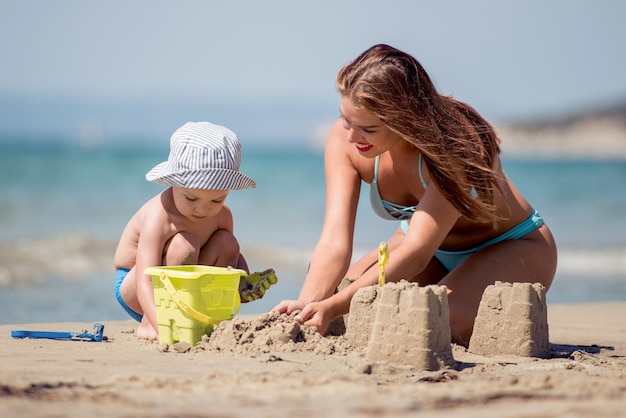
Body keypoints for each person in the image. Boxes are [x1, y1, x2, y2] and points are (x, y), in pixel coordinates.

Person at [273, 44, 557, 346]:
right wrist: (307, 306)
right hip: (425, 247)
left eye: (368, 129)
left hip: (512, 245)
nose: (353, 136)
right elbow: (333, 242)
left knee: (427, 325)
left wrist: (332, 306)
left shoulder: (454, 147)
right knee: (348, 313)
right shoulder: (345, 140)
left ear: (405, 120)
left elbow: (416, 252)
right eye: (346, 119)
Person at [115, 121, 277, 340]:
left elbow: (230, 258)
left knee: (227, 242)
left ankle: (203, 316)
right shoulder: (159, 217)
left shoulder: (222, 215)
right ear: (173, 183)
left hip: (187, 284)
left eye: (217, 199)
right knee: (183, 245)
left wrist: (243, 283)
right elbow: (145, 279)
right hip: (137, 289)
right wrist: (160, 325)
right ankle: (150, 323)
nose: (203, 209)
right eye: (191, 198)